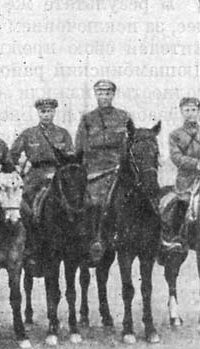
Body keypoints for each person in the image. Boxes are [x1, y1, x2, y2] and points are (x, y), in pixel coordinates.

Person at [10, 98, 74, 273]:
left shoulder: (63, 134)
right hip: (35, 175)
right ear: (38, 113)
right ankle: (31, 244)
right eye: (43, 112)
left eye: (50, 111)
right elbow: (12, 155)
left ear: (54, 112)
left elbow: (70, 156)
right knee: (25, 206)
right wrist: (16, 170)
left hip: (58, 173)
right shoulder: (28, 134)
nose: (46, 115)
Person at [75, 79, 133, 264]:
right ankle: (95, 239)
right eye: (100, 93)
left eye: (108, 93)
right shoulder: (87, 119)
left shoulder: (124, 117)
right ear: (96, 94)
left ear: (113, 95)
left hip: (119, 169)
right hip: (95, 171)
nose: (104, 96)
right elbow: (80, 147)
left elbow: (132, 143)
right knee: (94, 203)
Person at [161, 97, 200, 253]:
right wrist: (196, 164)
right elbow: (176, 157)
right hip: (187, 180)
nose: (190, 113)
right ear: (181, 112)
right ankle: (175, 239)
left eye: (193, 110)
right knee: (180, 203)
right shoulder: (175, 135)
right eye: (187, 110)